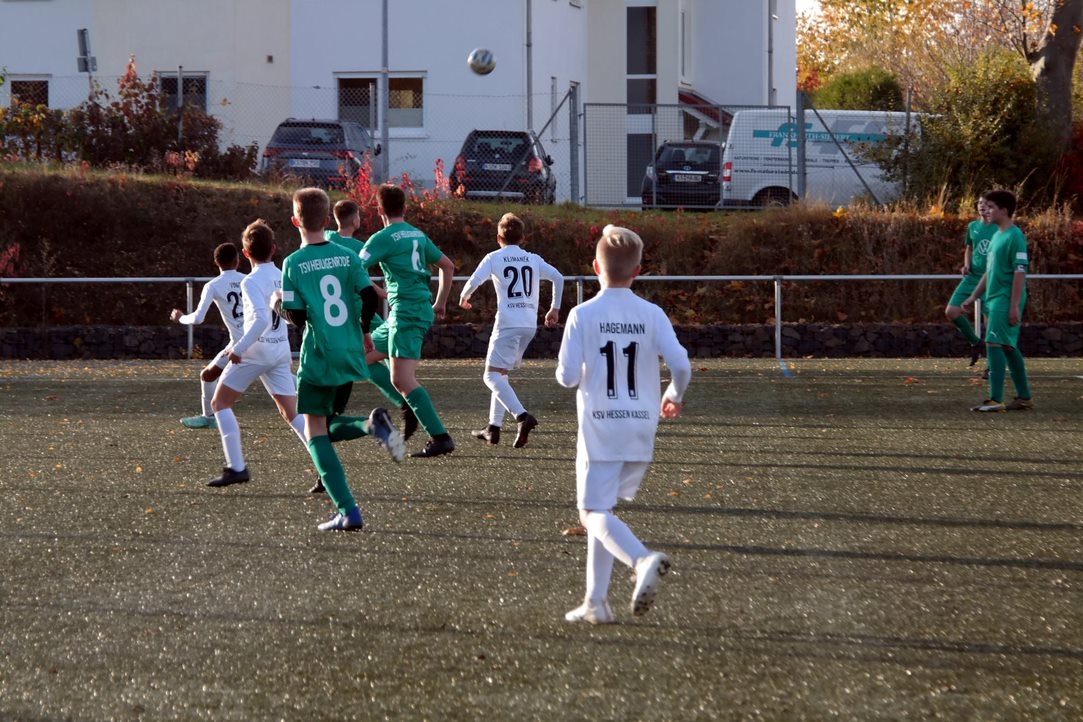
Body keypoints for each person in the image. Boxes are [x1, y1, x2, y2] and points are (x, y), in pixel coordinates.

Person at [556, 225, 692, 624]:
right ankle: (596, 603)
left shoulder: (582, 314)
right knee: (605, 512)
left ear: (595, 267)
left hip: (601, 428)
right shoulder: (652, 314)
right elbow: (682, 365)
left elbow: (567, 377)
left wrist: (577, 370)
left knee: (591, 515)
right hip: (640, 426)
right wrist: (674, 394)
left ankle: (641, 559)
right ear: (637, 271)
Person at [281, 187, 406, 531]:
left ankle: (348, 511)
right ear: (327, 219)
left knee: (314, 431)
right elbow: (368, 296)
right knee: (327, 425)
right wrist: (365, 331)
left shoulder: (292, 263)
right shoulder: (348, 256)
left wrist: (280, 304)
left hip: (320, 354)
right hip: (349, 350)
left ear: (295, 221)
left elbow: (296, 316)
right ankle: (370, 426)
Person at [206, 220, 308, 487]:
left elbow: (261, 319)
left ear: (245, 252)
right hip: (280, 349)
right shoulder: (283, 275)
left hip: (256, 351)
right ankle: (324, 465)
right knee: (292, 413)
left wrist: (237, 349)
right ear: (274, 249)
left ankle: (236, 467)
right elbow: (289, 316)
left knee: (220, 404)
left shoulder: (250, 280)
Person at [359, 183, 457, 458]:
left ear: (379, 209)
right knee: (360, 357)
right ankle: (408, 405)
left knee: (402, 379)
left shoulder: (382, 238)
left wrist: (374, 290)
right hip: (408, 312)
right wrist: (441, 302)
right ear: (404, 207)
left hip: (407, 312)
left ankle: (441, 437)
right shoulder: (417, 234)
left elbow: (356, 267)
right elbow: (447, 265)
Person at [459, 212, 563, 447]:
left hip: (507, 323)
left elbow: (475, 280)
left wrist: (464, 297)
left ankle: (522, 416)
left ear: (499, 238)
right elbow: (558, 277)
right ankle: (493, 428)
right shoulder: (533, 259)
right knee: (501, 374)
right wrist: (554, 309)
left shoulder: (494, 257)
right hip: (528, 324)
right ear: (522, 238)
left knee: (490, 375)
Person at [326, 198, 419, 442]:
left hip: (337, 315)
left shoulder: (326, 238)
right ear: (356, 220)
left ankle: (406, 400)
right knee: (381, 353)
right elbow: (362, 280)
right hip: (360, 310)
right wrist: (383, 293)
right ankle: (408, 400)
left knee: (370, 358)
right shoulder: (359, 246)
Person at [962, 189, 1033, 412]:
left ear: (1004, 210)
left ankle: (995, 399)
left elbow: (1020, 272)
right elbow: (989, 271)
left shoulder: (1015, 236)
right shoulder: (996, 236)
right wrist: (974, 296)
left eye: (991, 207)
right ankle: (1024, 397)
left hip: (1006, 298)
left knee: (993, 343)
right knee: (1008, 347)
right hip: (993, 298)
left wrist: (1014, 305)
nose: (987, 211)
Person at [169, 242, 246, 429]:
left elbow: (198, 318)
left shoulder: (213, 285)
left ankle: (210, 417)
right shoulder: (248, 279)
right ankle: (210, 417)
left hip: (239, 344)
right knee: (209, 375)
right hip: (257, 339)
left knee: (209, 376)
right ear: (237, 260)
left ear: (216, 262)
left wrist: (180, 318)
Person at [945, 195, 997, 367]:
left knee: (990, 322)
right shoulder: (973, 226)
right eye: (980, 203)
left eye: (986, 204)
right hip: (973, 278)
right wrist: (966, 265)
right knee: (951, 312)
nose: (982, 206)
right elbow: (969, 248)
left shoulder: (1000, 228)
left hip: (991, 280)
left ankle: (991, 366)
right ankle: (976, 343)